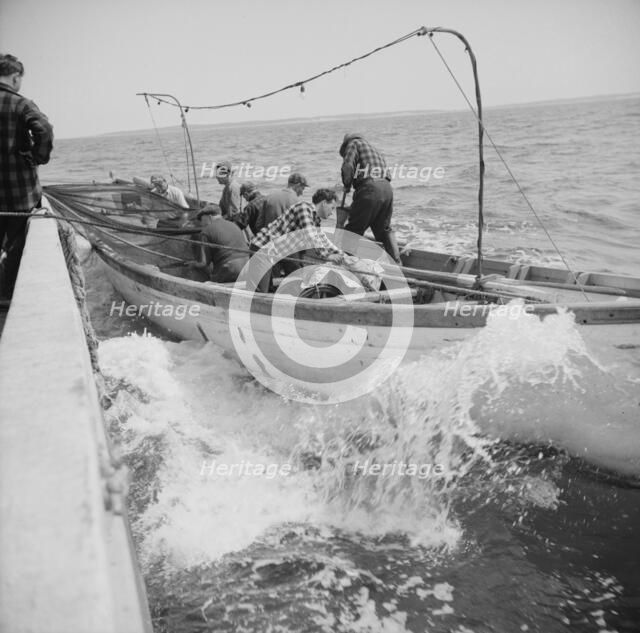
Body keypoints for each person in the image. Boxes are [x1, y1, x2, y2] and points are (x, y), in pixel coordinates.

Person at [0, 54, 54, 299]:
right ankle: (7, 294)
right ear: (15, 77)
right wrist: (37, 157)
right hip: (19, 195)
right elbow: (44, 129)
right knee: (17, 247)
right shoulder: (21, 104)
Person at [248, 188, 345, 292]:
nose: (332, 213)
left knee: (270, 290)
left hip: (273, 254)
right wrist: (328, 256)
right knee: (259, 293)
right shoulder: (304, 208)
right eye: (332, 208)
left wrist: (342, 255)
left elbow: (323, 240)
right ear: (324, 203)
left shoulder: (314, 219)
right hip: (262, 249)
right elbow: (311, 236)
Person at [338, 132, 401, 263]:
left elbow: (348, 166)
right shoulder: (374, 149)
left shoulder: (353, 143)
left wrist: (347, 184)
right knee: (384, 230)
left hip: (370, 188)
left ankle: (348, 264)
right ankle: (397, 263)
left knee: (353, 230)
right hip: (387, 189)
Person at [189, 204, 249, 283]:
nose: (201, 224)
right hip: (248, 266)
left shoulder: (206, 231)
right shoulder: (234, 225)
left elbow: (203, 263)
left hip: (230, 268)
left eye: (202, 220)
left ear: (209, 217)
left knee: (208, 281)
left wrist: (193, 264)